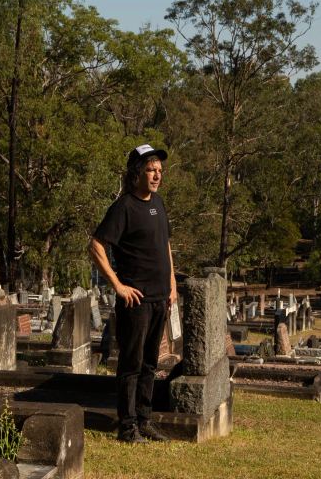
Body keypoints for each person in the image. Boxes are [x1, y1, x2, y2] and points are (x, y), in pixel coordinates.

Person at [88, 144, 177, 443]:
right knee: (132, 363)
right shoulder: (124, 206)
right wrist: (118, 285)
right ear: (137, 173)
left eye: (159, 171)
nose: (156, 176)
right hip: (135, 300)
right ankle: (127, 427)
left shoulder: (159, 203)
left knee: (151, 363)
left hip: (160, 298)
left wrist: (172, 284)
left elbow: (165, 245)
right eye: (151, 170)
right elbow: (96, 246)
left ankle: (144, 419)